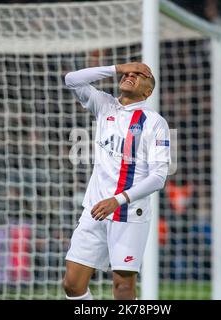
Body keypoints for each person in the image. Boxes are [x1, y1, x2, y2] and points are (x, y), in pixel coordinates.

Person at [62, 62, 171, 300]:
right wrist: (117, 67)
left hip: (129, 212)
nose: (130, 75)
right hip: (94, 209)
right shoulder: (105, 105)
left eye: (139, 75)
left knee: (122, 288)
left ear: (148, 91)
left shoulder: (154, 122)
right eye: (128, 74)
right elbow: (71, 78)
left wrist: (117, 200)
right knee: (72, 284)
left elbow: (159, 177)